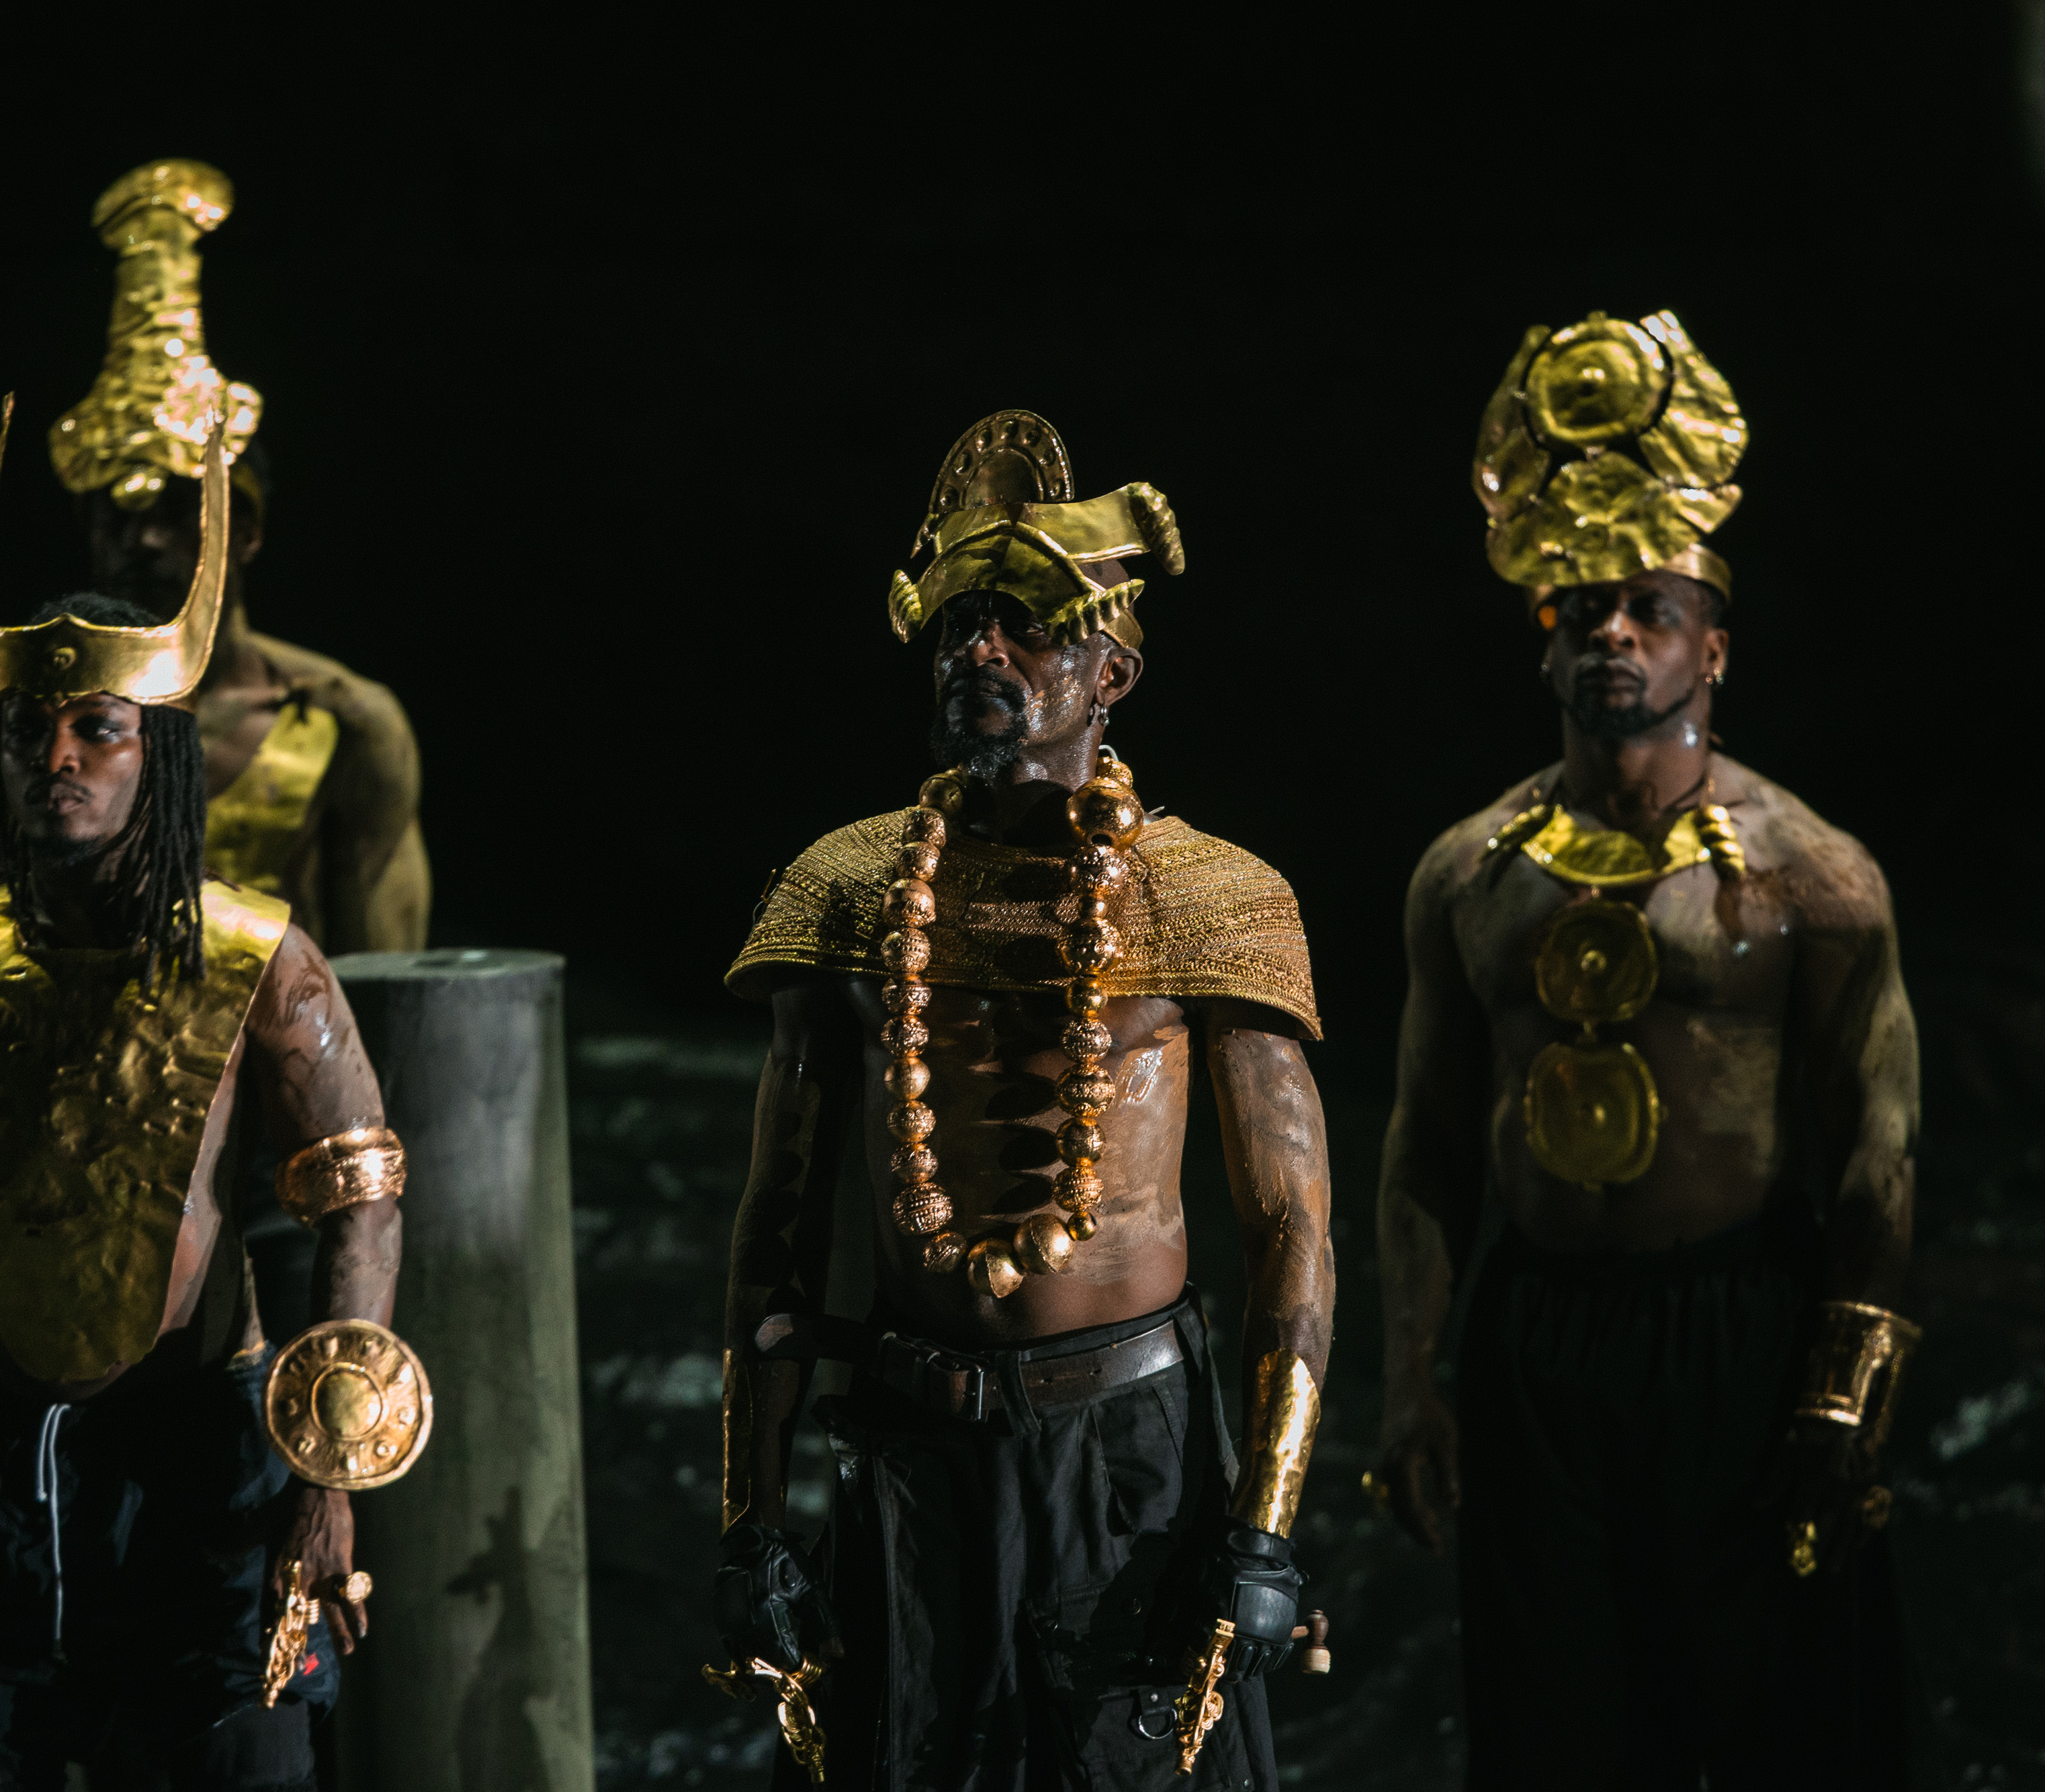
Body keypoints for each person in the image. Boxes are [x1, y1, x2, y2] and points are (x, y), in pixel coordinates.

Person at [0, 405, 429, 1790]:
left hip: (205, 1463)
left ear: (152, 748)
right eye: (26, 727)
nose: (53, 759)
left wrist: (327, 1475)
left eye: (94, 729)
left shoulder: (258, 959)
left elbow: (361, 1183)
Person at [715, 411, 1338, 1789]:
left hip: (1123, 1459)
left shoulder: (1211, 897)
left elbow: (1290, 1228)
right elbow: (776, 1222)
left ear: (1108, 670)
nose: (977, 652)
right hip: (909, 1454)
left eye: (1023, 628)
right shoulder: (849, 890)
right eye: (957, 627)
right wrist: (748, 1519)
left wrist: (1264, 1522)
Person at [1374, 310, 1921, 1786]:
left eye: (1646, 607)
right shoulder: (1464, 875)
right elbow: (1423, 1138)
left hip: (1732, 1327)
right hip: (1537, 1336)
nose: (1609, 630)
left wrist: (1835, 1385)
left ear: (1710, 644)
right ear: (1539, 635)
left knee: (1759, 1714)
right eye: (1578, 608)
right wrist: (1410, 1378)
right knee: (1553, 1718)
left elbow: (1875, 1143)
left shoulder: (1812, 878)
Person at [0, 156, 429, 957]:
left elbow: (390, 982)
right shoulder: (33, 737)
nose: (142, 540)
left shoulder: (341, 725)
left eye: (174, 513)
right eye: (117, 515)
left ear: (241, 530)